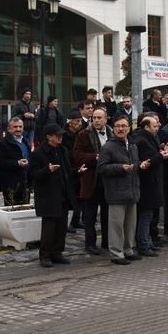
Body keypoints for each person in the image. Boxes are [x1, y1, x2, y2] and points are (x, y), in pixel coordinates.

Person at [30, 123, 86, 267]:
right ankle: (45, 255)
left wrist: (77, 171)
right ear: (49, 137)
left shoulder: (63, 150)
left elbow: (67, 171)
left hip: (63, 194)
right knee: (49, 228)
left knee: (61, 227)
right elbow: (33, 175)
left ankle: (57, 253)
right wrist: (47, 170)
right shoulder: (38, 153)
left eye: (61, 135)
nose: (61, 137)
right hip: (49, 196)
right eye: (57, 135)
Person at [98, 115, 149, 265]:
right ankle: (116, 253)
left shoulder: (132, 145)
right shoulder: (108, 146)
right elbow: (101, 168)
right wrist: (120, 168)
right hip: (116, 192)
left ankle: (128, 250)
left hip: (132, 191)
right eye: (117, 126)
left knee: (130, 224)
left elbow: (134, 164)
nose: (121, 129)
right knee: (116, 225)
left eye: (124, 126)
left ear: (129, 128)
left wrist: (140, 165)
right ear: (113, 129)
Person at [73, 107, 110, 255]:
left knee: (108, 215)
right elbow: (76, 155)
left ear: (106, 119)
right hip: (91, 180)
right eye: (94, 117)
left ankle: (107, 242)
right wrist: (94, 158)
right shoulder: (84, 134)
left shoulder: (112, 133)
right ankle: (90, 243)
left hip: (108, 180)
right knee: (90, 215)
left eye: (99, 117)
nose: (96, 120)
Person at [134, 116, 168, 256]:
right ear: (146, 127)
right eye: (155, 126)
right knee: (145, 216)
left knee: (149, 216)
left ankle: (148, 241)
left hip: (154, 182)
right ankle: (143, 244)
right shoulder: (142, 141)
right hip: (147, 184)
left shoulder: (151, 138)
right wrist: (161, 156)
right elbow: (147, 161)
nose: (158, 128)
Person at [0, 117, 32, 206]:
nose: (18, 129)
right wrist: (17, 163)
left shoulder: (26, 141)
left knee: (25, 210)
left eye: (20, 126)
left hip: (25, 182)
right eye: (15, 127)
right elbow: (0, 162)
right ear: (9, 129)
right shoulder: (2, 143)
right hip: (10, 183)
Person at [63, 110, 84, 231]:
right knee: (70, 198)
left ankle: (76, 220)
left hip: (79, 167)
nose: (79, 123)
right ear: (70, 123)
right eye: (77, 121)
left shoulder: (80, 134)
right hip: (69, 168)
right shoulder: (65, 135)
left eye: (80, 121)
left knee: (79, 197)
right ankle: (68, 222)